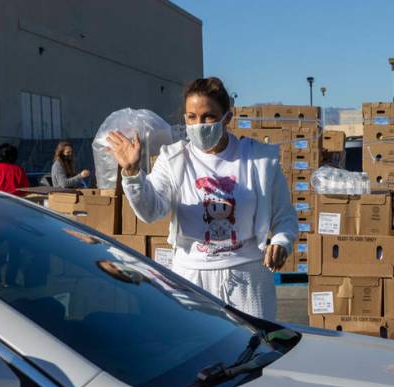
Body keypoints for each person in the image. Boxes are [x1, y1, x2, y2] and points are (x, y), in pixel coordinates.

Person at [106, 77, 297, 320]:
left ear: (227, 118)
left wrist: (281, 241)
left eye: (208, 116)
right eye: (191, 117)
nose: (199, 124)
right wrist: (132, 173)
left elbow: (285, 216)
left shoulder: (259, 159)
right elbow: (151, 210)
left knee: (256, 350)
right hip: (191, 278)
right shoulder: (173, 159)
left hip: (248, 280)